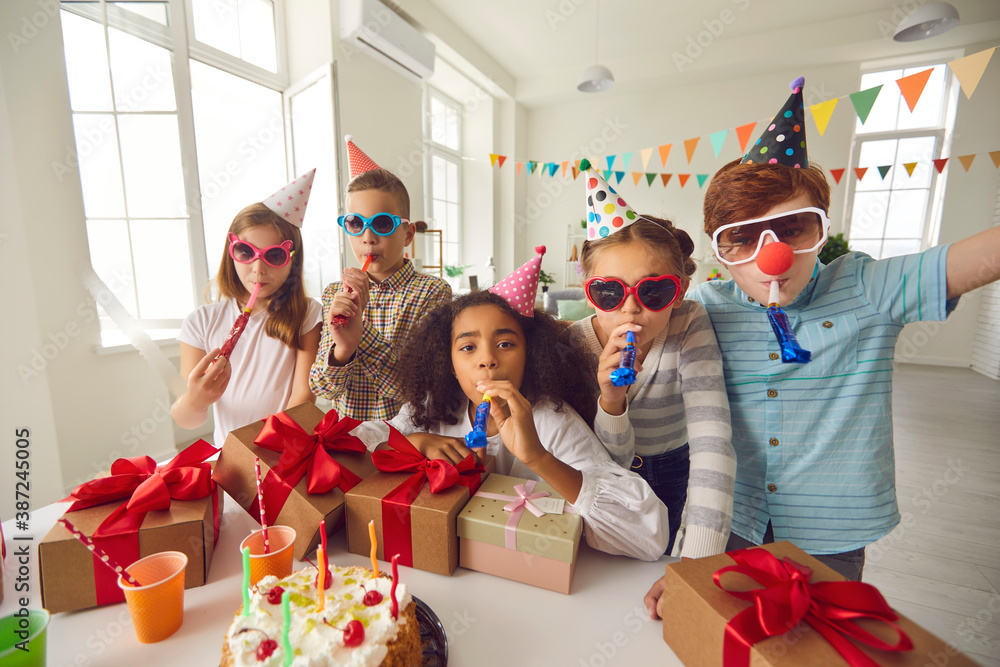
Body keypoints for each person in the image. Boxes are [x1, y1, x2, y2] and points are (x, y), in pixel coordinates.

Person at [644, 76, 1000, 617]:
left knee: (817, 643)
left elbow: (974, 259)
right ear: (721, 250)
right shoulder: (705, 308)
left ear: (822, 231)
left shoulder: (865, 288)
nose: (773, 257)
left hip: (830, 529)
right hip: (732, 518)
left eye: (794, 228)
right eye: (743, 237)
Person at [353, 251, 672, 561]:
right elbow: (354, 448)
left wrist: (538, 457)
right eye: (468, 347)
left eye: (505, 344)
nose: (487, 359)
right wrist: (410, 443)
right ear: (448, 363)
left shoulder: (552, 420)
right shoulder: (431, 409)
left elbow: (648, 536)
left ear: (530, 355)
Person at [570, 168, 735, 559]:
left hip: (675, 472)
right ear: (588, 293)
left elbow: (713, 443)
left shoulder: (688, 324)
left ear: (679, 291)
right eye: (609, 291)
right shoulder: (572, 344)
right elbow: (612, 461)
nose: (630, 306)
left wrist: (696, 564)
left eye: (654, 290)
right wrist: (611, 400)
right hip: (601, 479)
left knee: (662, 568)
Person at [173, 170, 323, 446]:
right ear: (231, 253)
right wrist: (195, 401)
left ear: (292, 260)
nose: (258, 269)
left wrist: (268, 450)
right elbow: (188, 420)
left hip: (284, 451)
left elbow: (303, 397)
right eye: (245, 252)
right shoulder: (200, 322)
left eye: (274, 255)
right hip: (229, 458)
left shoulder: (307, 314)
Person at [309, 136, 451, 420]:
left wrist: (362, 333)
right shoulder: (334, 292)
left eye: (383, 224)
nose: (368, 237)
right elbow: (322, 388)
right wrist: (343, 350)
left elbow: (413, 389)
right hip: (345, 440)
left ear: (407, 234)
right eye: (355, 223)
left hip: (405, 443)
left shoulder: (432, 292)